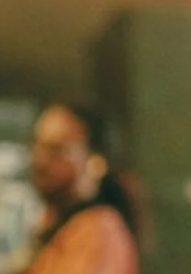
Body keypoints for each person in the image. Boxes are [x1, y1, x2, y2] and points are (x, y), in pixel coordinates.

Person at [25, 98, 139, 274]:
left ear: (96, 162)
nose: (39, 160)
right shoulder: (55, 224)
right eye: (38, 146)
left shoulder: (100, 232)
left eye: (56, 150)